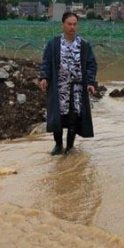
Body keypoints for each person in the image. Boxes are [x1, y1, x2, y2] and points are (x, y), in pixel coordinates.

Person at [39, 12, 98, 155]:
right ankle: (58, 145)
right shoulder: (54, 43)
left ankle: (69, 148)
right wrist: (44, 77)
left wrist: (90, 82)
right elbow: (46, 61)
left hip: (76, 88)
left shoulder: (83, 45)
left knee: (74, 118)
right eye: (69, 24)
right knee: (57, 117)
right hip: (59, 87)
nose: (72, 27)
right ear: (63, 25)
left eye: (75, 24)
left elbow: (91, 64)